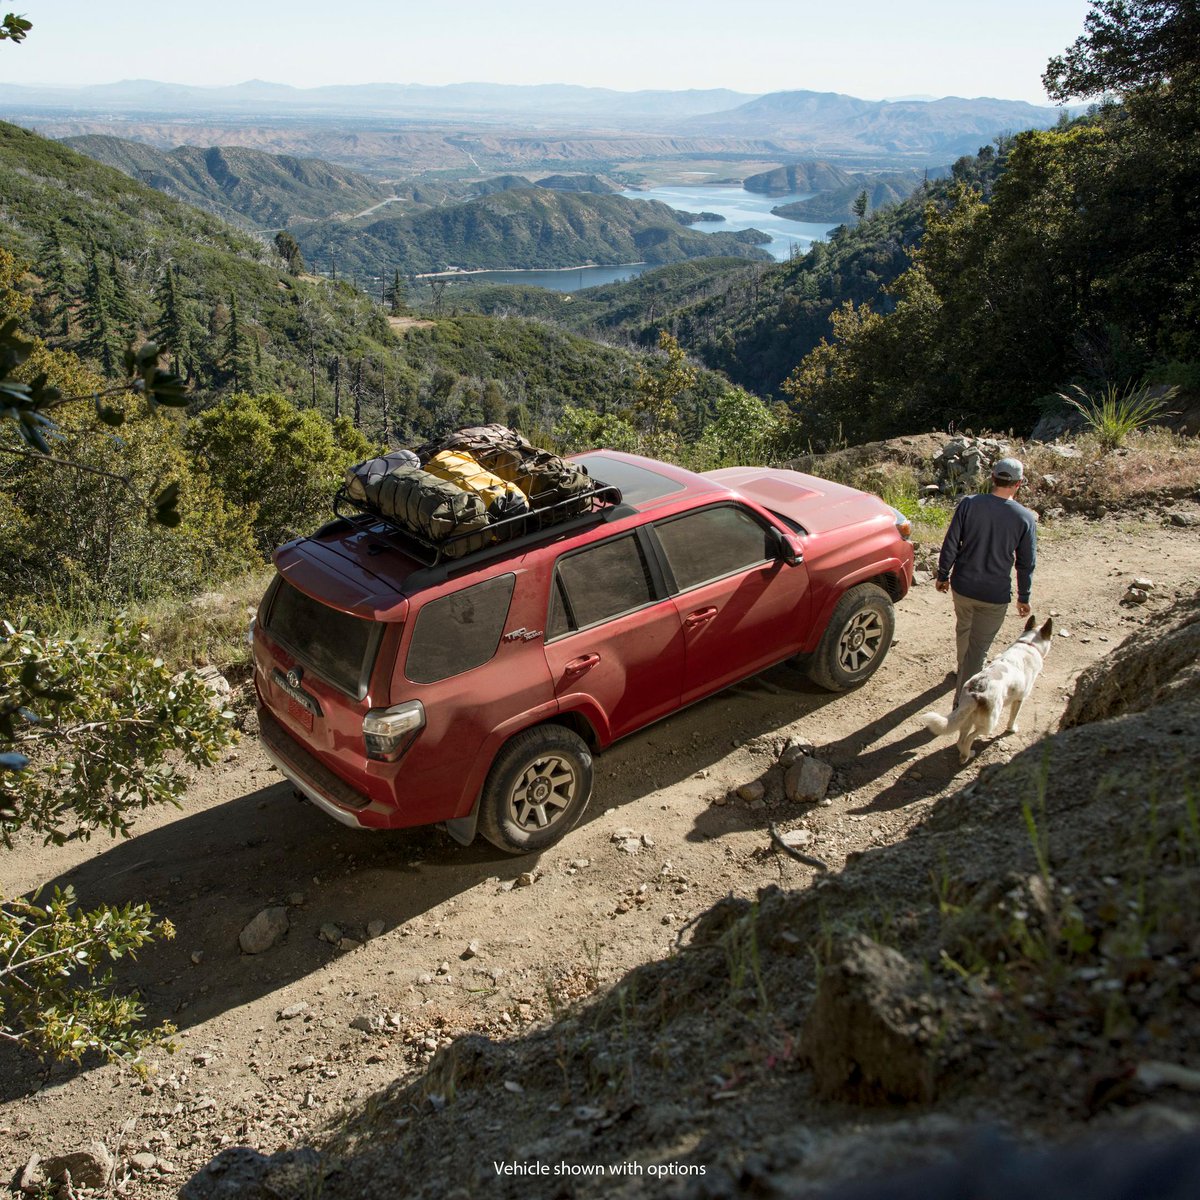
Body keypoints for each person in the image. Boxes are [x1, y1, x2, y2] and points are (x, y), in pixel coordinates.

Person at [935, 457, 1038, 701]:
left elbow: (951, 542)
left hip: (962, 587)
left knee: (964, 628)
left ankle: (963, 671)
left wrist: (943, 574)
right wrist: (1024, 596)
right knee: (978, 651)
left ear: (992, 478)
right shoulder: (1025, 518)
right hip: (994, 596)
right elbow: (1026, 563)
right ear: (1019, 483)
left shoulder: (969, 503)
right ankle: (962, 704)